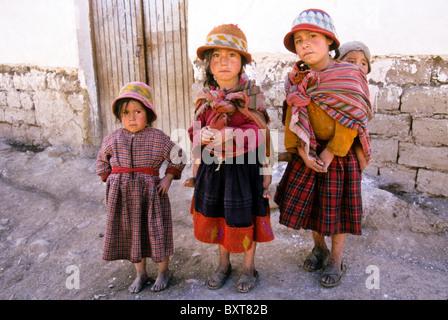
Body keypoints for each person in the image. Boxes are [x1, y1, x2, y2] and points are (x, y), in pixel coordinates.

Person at [274, 9, 373, 288]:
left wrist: (330, 152)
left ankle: (335, 259)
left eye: (312, 37)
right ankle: (319, 248)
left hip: (339, 156)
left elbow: (353, 117)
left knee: (337, 211)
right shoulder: (296, 79)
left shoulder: (349, 74)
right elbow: (291, 116)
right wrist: (301, 152)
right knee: (313, 208)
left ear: (330, 41)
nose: (304, 44)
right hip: (308, 153)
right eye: (298, 40)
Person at [187, 24, 274, 293]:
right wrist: (200, 135)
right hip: (213, 169)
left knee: (245, 217)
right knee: (219, 216)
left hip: (245, 170)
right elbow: (195, 127)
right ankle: (223, 263)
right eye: (216, 56)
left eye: (232, 55)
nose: (223, 62)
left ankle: (249, 267)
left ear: (243, 63)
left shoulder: (252, 95)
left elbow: (260, 132)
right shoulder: (205, 97)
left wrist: (230, 136)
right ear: (209, 66)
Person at [96, 82, 185, 293]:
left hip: (152, 195)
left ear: (149, 114)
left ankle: (164, 271)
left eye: (138, 111)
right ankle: (141, 273)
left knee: (156, 232)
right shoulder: (113, 138)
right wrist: (109, 179)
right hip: (124, 197)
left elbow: (178, 155)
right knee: (132, 234)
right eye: (126, 113)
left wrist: (168, 178)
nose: (132, 118)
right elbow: (101, 160)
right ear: (119, 115)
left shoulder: (157, 137)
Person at [335, 41, 372, 172]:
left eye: (363, 63)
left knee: (360, 162)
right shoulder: (333, 83)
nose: (357, 67)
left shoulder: (362, 88)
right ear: (338, 63)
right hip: (333, 142)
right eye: (351, 62)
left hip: (354, 140)